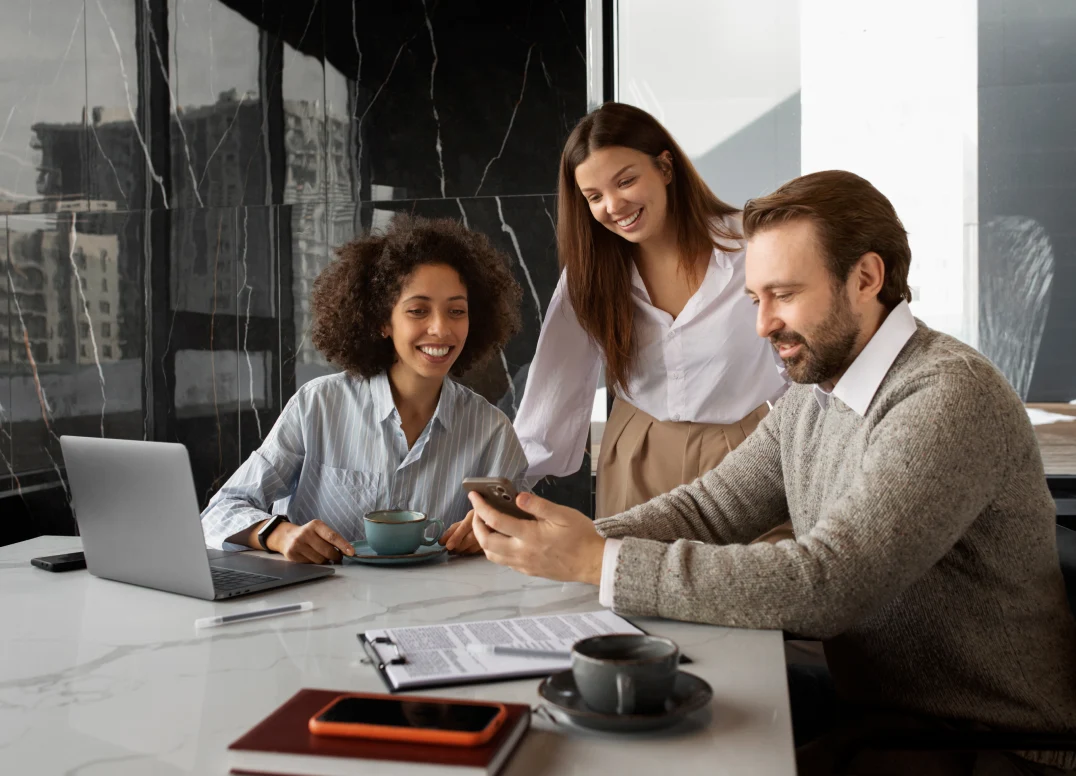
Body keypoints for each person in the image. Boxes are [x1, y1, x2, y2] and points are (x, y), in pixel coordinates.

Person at [467, 171, 1076, 774]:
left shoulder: (946, 394)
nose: (763, 326)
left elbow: (829, 584)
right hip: (883, 715)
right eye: (756, 300)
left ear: (866, 278)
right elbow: (710, 509)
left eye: (783, 295)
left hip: (991, 745)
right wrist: (559, 540)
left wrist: (597, 563)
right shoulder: (819, 394)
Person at [200, 214, 527, 562]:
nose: (440, 329)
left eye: (456, 311)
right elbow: (221, 511)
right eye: (418, 310)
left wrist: (499, 533)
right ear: (383, 320)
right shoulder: (318, 406)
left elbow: (526, 534)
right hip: (322, 607)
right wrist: (279, 535)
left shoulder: (492, 432)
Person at [515, 102, 787, 518]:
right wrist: (500, 495)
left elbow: (803, 369)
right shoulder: (589, 275)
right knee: (628, 580)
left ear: (664, 167)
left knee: (744, 580)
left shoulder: (752, 247)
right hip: (634, 458)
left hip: (742, 457)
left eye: (625, 181)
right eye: (594, 196)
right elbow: (555, 387)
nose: (613, 205)